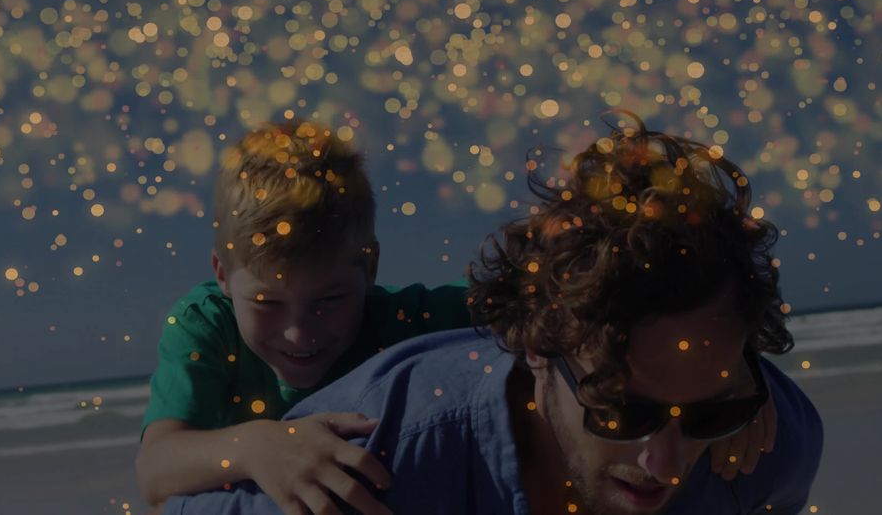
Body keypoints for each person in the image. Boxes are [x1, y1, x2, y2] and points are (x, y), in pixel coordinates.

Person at [160, 111, 823, 514]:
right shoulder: (372, 459)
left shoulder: (770, 439)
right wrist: (255, 446)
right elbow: (157, 473)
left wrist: (736, 384)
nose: (666, 463)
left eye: (706, 413)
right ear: (537, 343)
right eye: (623, 411)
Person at [135, 120, 472, 514]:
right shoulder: (208, 324)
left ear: (370, 266)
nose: (298, 333)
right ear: (223, 274)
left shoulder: (402, 316)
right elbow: (155, 470)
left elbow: (518, 295)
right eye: (267, 303)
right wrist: (257, 446)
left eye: (329, 299)